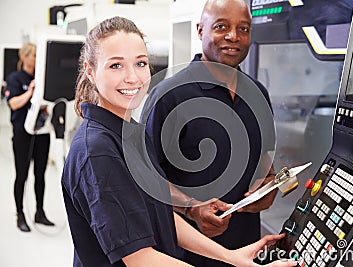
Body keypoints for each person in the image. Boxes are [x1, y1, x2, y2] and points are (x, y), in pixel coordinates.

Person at [61, 16, 297, 267]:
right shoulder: (98, 152)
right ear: (90, 70)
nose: (132, 77)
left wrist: (232, 257)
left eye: (140, 63)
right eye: (116, 66)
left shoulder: (130, 134)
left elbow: (160, 216)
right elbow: (141, 259)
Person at [141, 0, 278, 266]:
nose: (233, 37)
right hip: (186, 254)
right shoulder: (170, 96)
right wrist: (191, 207)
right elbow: (144, 178)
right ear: (200, 30)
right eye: (221, 26)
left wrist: (270, 187)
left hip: (247, 251)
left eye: (244, 28)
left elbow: (266, 162)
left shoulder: (258, 94)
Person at [5, 42, 55, 232]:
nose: (35, 59)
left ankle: (39, 212)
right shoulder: (15, 78)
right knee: (22, 174)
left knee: (40, 174)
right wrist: (30, 92)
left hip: (41, 132)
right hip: (22, 133)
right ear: (24, 57)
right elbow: (14, 104)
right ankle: (20, 214)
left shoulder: (41, 77)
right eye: (33, 55)